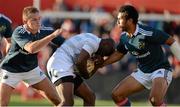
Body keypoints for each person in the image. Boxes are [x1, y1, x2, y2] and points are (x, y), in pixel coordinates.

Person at [101, 5, 180, 106]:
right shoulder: (124, 37)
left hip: (160, 69)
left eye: (120, 19)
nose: (117, 22)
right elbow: (119, 54)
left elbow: (171, 41)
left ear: (129, 21)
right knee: (116, 95)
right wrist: (102, 64)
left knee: (154, 100)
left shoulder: (146, 32)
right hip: (143, 72)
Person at [0, 6, 65, 106]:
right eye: (34, 19)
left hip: (31, 70)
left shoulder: (44, 30)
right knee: (2, 104)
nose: (38, 22)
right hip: (11, 70)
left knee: (58, 101)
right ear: (25, 21)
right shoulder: (19, 32)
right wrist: (51, 36)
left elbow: (65, 43)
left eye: (39, 18)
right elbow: (31, 49)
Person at [47, 33, 115, 106]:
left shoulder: (92, 38)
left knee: (90, 97)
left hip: (66, 65)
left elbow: (83, 68)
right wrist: (85, 74)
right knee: (67, 102)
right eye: (104, 53)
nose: (102, 55)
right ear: (105, 43)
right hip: (60, 64)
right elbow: (80, 62)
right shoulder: (93, 43)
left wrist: (96, 66)